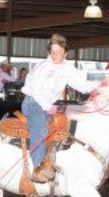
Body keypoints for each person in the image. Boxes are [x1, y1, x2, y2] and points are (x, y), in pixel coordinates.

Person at [21, 33, 98, 183]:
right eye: (52, 51)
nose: (55, 54)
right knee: (41, 127)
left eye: (58, 51)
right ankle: (37, 168)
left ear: (65, 52)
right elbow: (35, 90)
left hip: (47, 105)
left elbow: (83, 85)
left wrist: (100, 85)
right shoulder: (43, 67)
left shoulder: (68, 68)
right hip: (32, 102)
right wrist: (48, 106)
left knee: (63, 126)